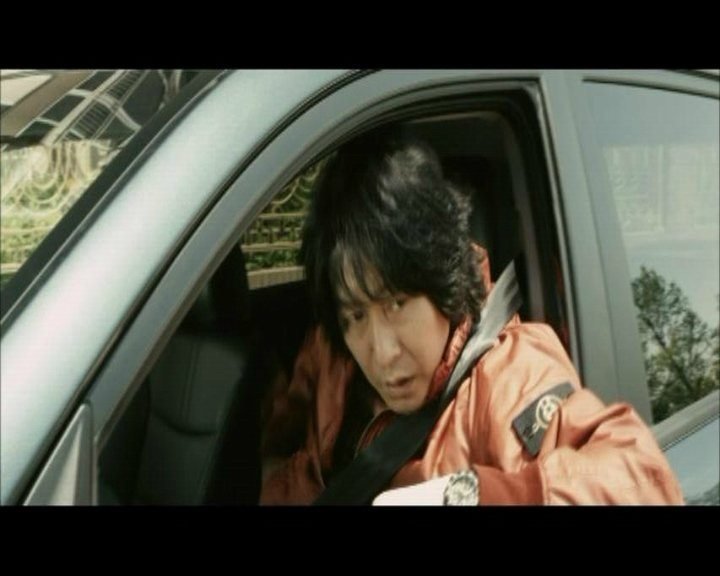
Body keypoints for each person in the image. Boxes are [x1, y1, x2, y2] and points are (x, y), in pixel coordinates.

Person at [259, 131, 684, 505]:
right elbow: (272, 443)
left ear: (439, 280)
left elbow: (641, 481)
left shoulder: (511, 377)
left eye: (397, 304)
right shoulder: (332, 353)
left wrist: (468, 495)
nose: (383, 352)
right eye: (355, 314)